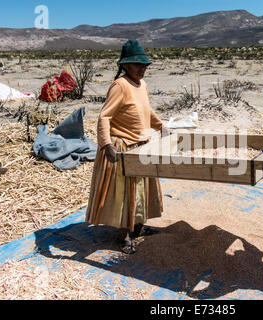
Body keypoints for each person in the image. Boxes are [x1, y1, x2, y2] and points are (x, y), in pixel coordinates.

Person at [86, 39, 169, 254]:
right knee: (125, 193)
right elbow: (105, 117)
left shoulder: (142, 85)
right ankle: (123, 236)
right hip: (123, 147)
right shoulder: (120, 86)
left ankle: (138, 227)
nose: (142, 69)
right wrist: (106, 145)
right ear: (125, 65)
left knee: (142, 190)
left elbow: (146, 111)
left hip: (142, 144)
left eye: (144, 65)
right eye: (136, 64)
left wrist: (161, 126)